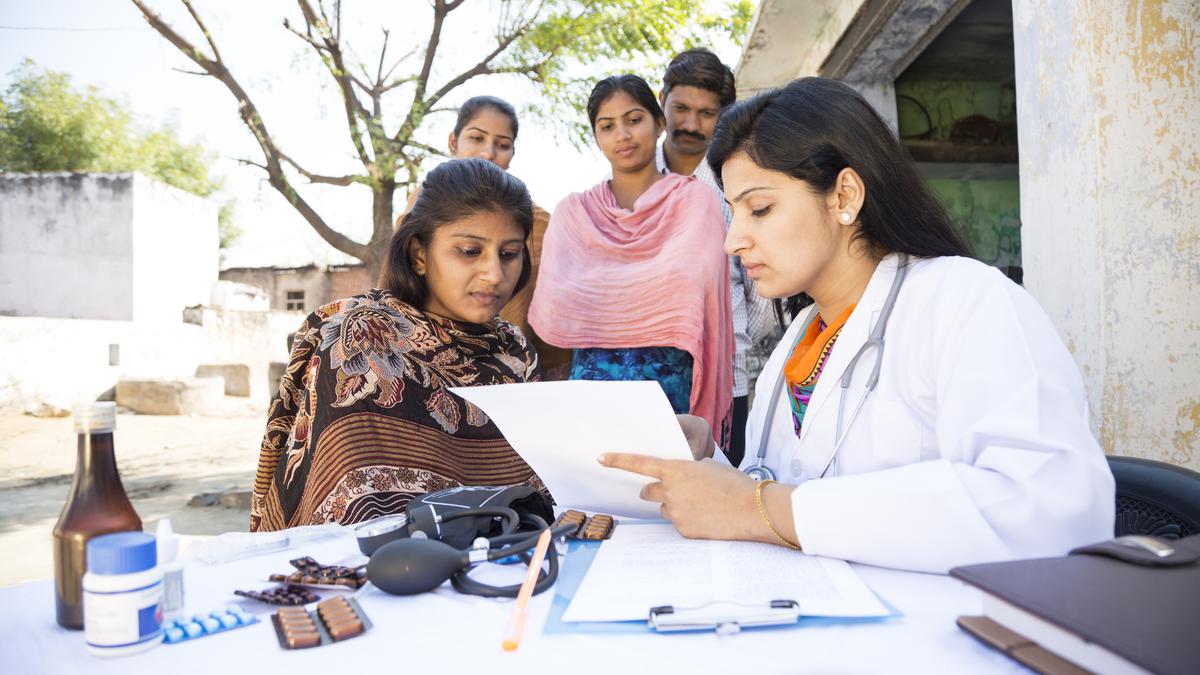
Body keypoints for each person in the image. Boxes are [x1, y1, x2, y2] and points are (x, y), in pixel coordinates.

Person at [599, 78, 1115, 573]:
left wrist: (763, 507)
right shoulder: (801, 338)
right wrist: (707, 460)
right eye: (733, 213)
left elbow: (1053, 511)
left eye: (759, 208)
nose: (733, 241)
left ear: (844, 196)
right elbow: (783, 482)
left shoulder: (965, 299)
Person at [252, 158, 544, 532]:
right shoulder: (361, 339)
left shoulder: (516, 354)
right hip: (384, 574)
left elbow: (539, 499)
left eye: (509, 253)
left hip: (513, 571)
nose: (494, 273)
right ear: (420, 254)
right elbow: (354, 515)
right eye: (470, 251)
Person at [529, 74, 735, 446]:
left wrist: (607, 297)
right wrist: (646, 296)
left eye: (634, 119)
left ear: (659, 124)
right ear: (596, 138)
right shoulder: (575, 213)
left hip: (669, 385)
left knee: (668, 496)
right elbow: (558, 304)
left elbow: (696, 294)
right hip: (592, 388)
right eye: (607, 126)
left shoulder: (696, 203)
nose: (622, 134)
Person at [656, 48, 778, 467]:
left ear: (724, 116)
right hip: (645, 377)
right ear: (661, 100)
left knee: (722, 498)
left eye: (707, 113)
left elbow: (764, 300)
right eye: (681, 108)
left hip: (729, 381)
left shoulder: (740, 186)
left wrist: (726, 335)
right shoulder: (627, 184)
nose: (691, 124)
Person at [396, 95, 572, 379]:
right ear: (453, 142)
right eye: (477, 138)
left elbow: (543, 313)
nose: (489, 152)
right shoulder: (419, 207)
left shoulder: (537, 224)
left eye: (503, 145)